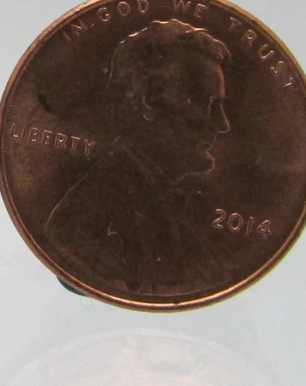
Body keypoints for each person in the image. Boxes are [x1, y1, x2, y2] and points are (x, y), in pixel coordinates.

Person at [44, 19, 231, 296]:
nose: (223, 124)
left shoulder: (154, 197)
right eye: (209, 104)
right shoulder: (86, 224)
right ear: (150, 101)